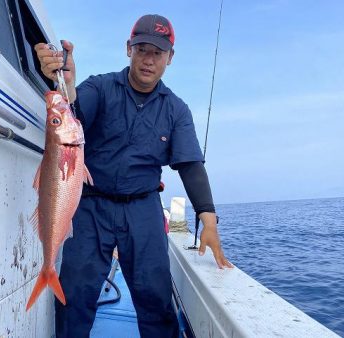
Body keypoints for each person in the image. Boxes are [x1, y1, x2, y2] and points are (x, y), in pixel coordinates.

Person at [34, 14, 232, 338]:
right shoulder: (100, 86)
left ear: (170, 57)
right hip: (91, 207)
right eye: (142, 49)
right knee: (75, 294)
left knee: (155, 296)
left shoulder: (176, 110)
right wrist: (66, 85)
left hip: (143, 210)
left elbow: (191, 164)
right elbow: (73, 114)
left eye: (157, 52)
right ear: (129, 49)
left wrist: (208, 220)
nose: (148, 60)